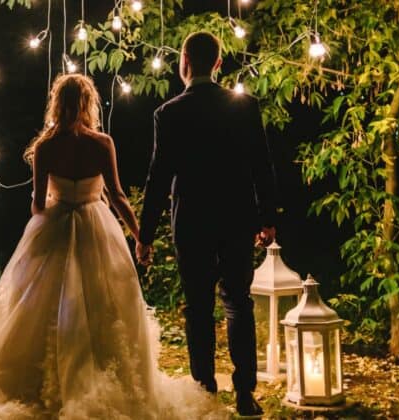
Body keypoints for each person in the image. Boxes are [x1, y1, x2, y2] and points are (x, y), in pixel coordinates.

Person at [0, 74, 226, 419]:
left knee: (41, 305)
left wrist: (54, 202)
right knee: (104, 303)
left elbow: (38, 205)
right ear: (89, 103)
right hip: (95, 225)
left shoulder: (45, 146)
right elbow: (116, 196)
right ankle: (100, 372)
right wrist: (139, 237)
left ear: (57, 103)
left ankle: (44, 380)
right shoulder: (102, 143)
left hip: (54, 227)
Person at [137, 31, 277, 417]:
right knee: (238, 302)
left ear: (184, 61)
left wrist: (144, 236)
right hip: (236, 218)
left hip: (192, 223)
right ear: (218, 63)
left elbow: (158, 178)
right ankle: (246, 392)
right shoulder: (244, 106)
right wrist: (268, 219)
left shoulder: (169, 114)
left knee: (198, 307)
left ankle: (205, 390)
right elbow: (262, 166)